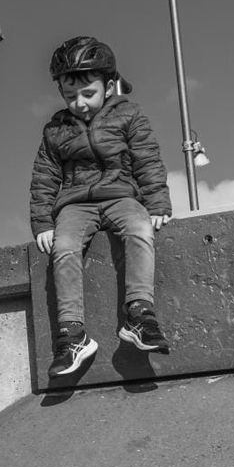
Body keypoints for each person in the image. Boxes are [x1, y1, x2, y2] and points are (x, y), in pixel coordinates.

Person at [29, 35, 173, 377]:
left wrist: (156, 203)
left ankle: (140, 314)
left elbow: (147, 159)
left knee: (139, 230)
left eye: (87, 93)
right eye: (70, 96)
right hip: (76, 204)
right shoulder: (56, 129)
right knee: (63, 248)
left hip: (122, 195)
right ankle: (72, 335)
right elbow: (44, 177)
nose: (78, 103)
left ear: (109, 86)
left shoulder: (129, 115)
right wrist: (42, 223)